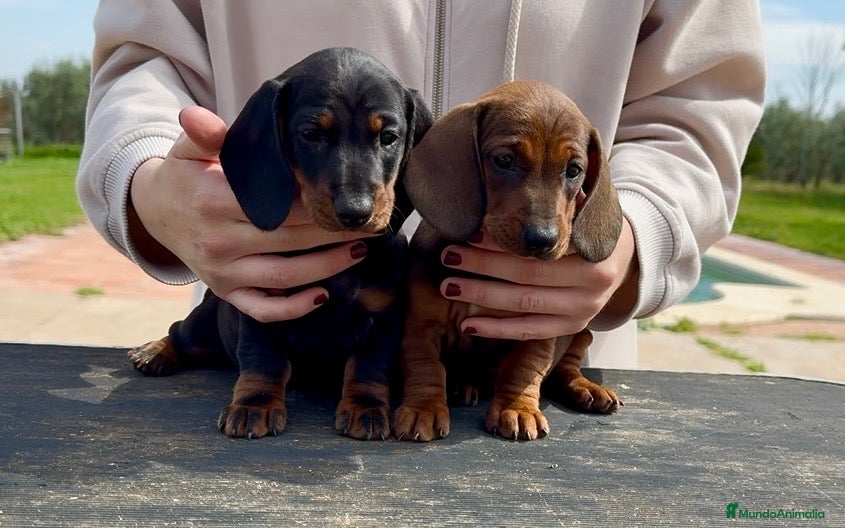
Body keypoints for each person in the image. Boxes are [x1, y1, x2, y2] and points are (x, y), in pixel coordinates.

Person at [77, 1, 765, 369]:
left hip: (530, 351)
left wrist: (637, 228)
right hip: (270, 319)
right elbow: (145, 59)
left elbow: (701, 100)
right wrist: (142, 177)